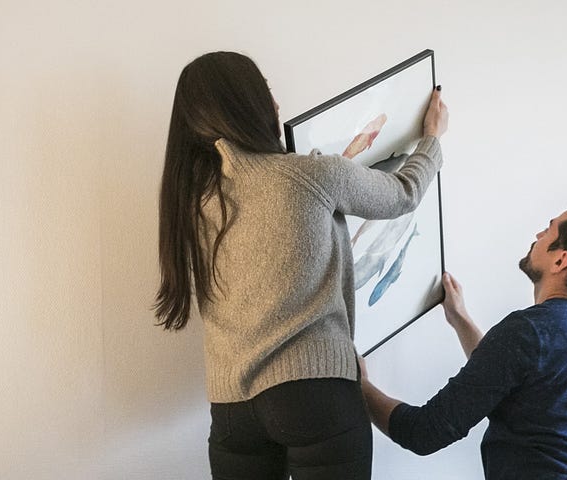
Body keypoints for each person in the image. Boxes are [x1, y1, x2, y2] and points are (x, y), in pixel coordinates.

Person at [152, 51, 448, 480]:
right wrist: (433, 139)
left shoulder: (189, 207)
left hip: (232, 413)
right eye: (266, 92)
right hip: (316, 396)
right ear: (246, 106)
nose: (275, 104)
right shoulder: (310, 175)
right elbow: (402, 192)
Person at [359, 195, 567, 480]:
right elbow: (507, 377)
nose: (538, 235)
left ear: (560, 260)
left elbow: (424, 432)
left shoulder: (530, 331)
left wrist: (358, 385)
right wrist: (460, 318)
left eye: (548, 229)